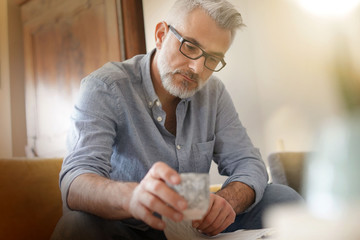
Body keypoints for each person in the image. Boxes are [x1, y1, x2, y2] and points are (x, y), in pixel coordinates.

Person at [52, 0, 302, 239]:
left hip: (195, 225)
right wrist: (133, 197)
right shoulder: (105, 87)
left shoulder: (213, 92)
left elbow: (249, 163)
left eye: (212, 59)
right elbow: (76, 180)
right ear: (161, 34)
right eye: (190, 47)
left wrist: (227, 201)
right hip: (130, 225)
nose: (197, 68)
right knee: (77, 225)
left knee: (282, 198)